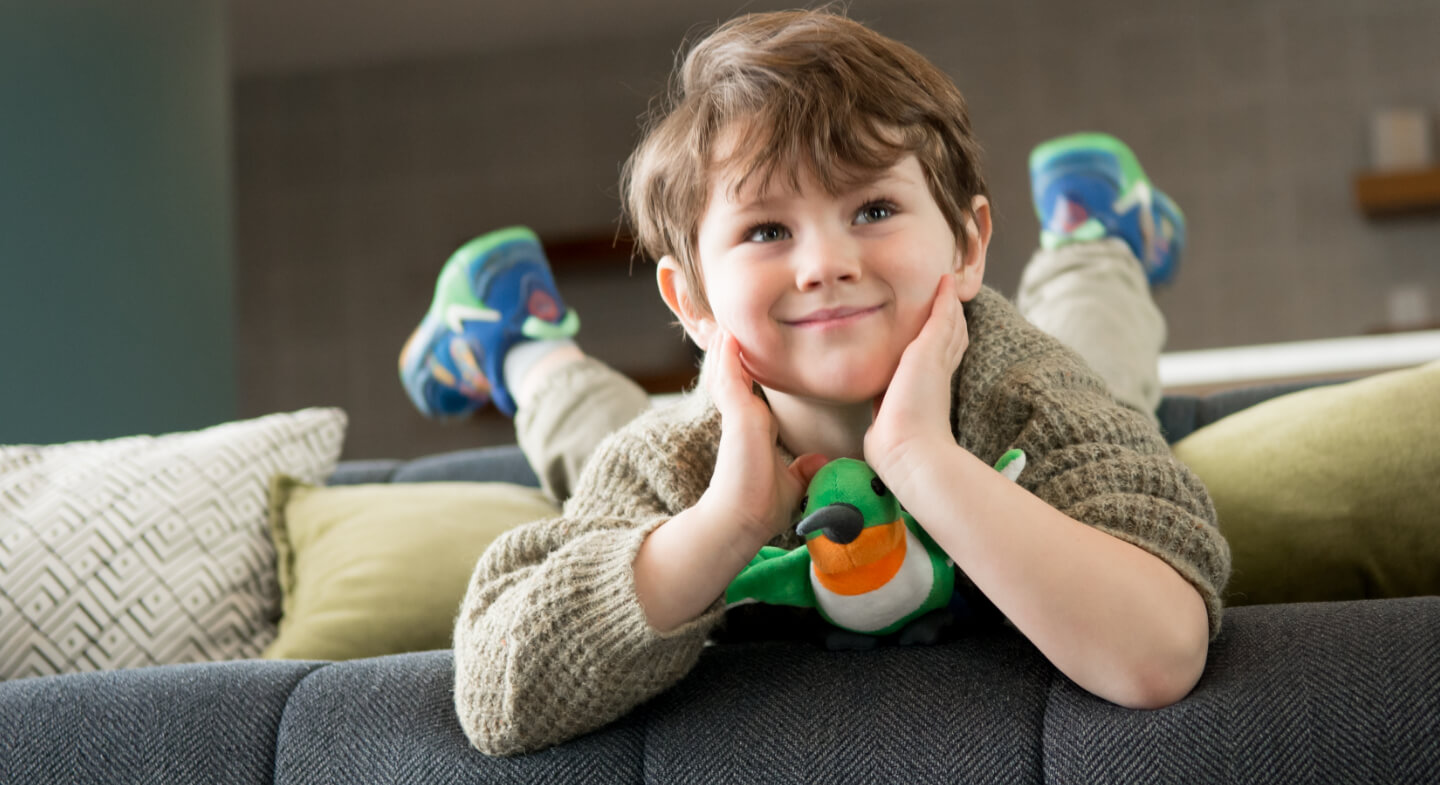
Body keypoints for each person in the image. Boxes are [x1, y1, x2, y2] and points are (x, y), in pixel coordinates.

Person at [400, 10, 1229, 757]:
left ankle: (1096, 233)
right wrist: (726, 524)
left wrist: (922, 460)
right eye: (766, 229)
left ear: (968, 245)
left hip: (1003, 370)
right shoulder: (676, 458)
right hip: (717, 433)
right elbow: (494, 694)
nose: (826, 264)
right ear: (690, 301)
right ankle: (517, 342)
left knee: (1101, 355)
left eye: (872, 209)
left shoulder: (1026, 393)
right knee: (606, 446)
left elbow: (1157, 657)